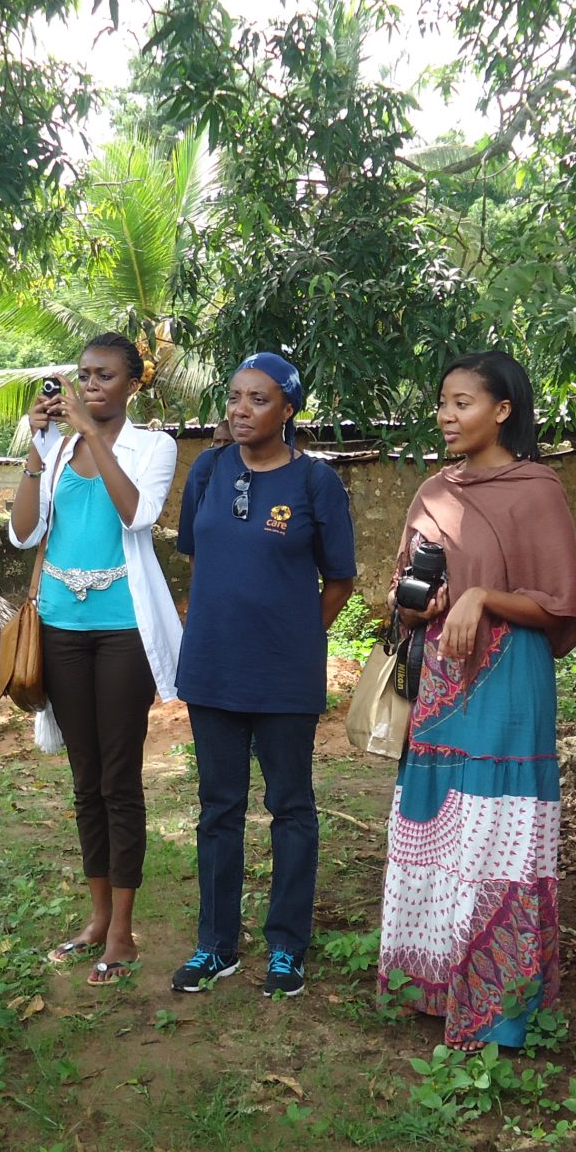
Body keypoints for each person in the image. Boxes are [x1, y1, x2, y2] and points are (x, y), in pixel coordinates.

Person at [375, 351, 576, 1050]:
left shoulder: (538, 490)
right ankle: (429, 984)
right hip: (439, 677)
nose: (446, 414)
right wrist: (416, 605)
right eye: (442, 401)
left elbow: (561, 603)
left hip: (510, 681)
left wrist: (482, 595)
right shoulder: (432, 491)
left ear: (502, 410)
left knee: (499, 835)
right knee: (436, 827)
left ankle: (500, 1010)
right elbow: (401, 596)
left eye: (462, 401)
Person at [171, 353, 356, 998]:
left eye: (257, 399)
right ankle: (215, 945)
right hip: (213, 667)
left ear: (288, 410)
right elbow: (198, 554)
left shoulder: (316, 484)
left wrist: (299, 633)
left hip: (284, 675)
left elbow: (340, 580)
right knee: (218, 807)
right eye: (234, 397)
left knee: (290, 806)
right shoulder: (210, 469)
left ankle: (286, 946)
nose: (240, 409)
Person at [9, 333, 182, 987]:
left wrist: (93, 436)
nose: (91, 385)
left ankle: (123, 932)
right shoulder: (56, 448)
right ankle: (96, 916)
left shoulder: (153, 447)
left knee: (118, 777)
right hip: (59, 624)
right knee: (85, 779)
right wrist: (37, 446)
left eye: (105, 376)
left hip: (122, 630)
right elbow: (23, 532)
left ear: (134, 383)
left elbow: (137, 514)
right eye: (84, 375)